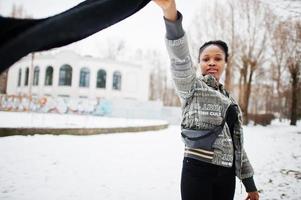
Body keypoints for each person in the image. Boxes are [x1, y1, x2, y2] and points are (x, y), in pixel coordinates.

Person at [153, 0, 260, 200]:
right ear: (200, 62)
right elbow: (180, 59)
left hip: (227, 176)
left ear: (225, 63)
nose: (212, 62)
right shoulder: (192, 87)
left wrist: (250, 185)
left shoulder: (231, 101)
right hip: (197, 171)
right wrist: (170, 13)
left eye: (218, 58)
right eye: (206, 58)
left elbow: (238, 145)